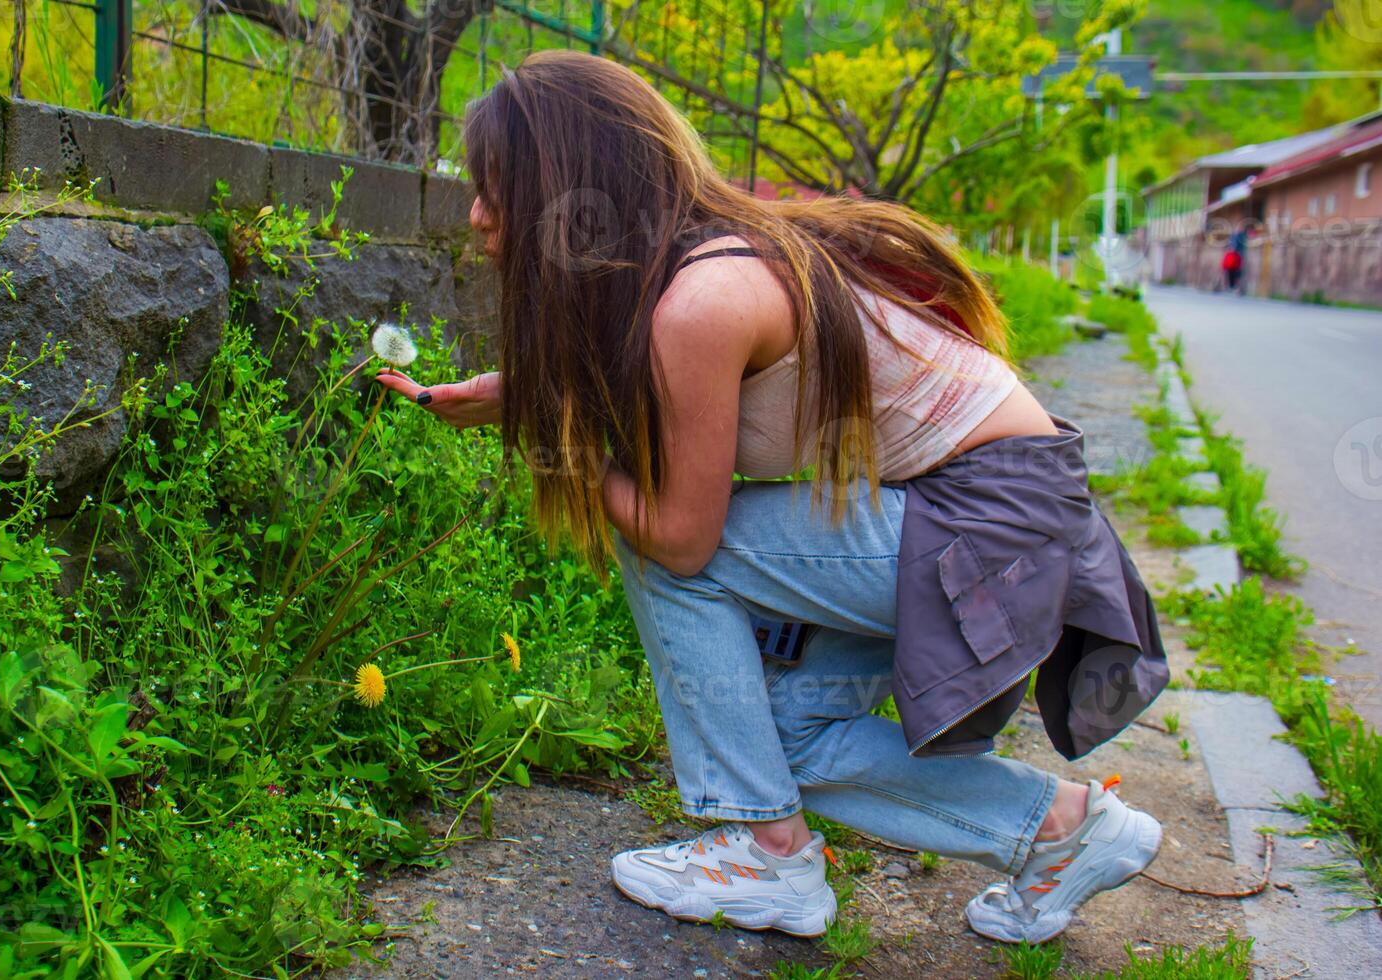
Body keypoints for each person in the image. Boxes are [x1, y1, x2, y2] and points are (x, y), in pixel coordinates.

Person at [377, 50, 1169, 945]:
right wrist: (533, 398)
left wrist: (564, 443)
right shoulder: (696, 274)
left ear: (570, 186)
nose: (478, 215)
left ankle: (765, 849)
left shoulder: (703, 300)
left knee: (663, 544)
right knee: (783, 738)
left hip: (993, 528)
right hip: (992, 522)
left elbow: (681, 538)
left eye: (495, 188)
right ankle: (1061, 830)